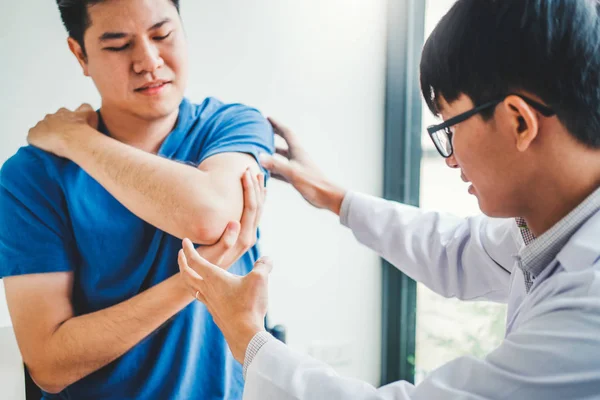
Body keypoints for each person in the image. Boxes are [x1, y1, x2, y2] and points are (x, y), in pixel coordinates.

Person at [178, 0, 600, 398]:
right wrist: (332, 196)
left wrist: (247, 337)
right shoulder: (556, 224)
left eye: (449, 127)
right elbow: (455, 249)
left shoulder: (588, 305)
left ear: (518, 122)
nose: (450, 158)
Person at [0, 0, 273, 398]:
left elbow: (208, 216)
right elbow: (49, 363)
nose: (148, 61)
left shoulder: (230, 126)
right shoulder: (32, 176)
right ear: (81, 53)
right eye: (118, 45)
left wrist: (75, 138)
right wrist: (190, 283)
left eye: (163, 35)